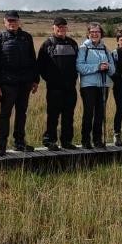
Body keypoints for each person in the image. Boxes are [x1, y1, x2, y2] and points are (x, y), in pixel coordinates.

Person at [0, 11, 39, 156]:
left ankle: (20, 143)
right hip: (6, 83)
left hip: (25, 83)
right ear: (4, 22)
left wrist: (35, 80)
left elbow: (32, 60)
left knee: (22, 113)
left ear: (19, 21)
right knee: (5, 114)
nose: (12, 23)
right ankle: (2, 145)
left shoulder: (26, 37)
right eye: (9, 20)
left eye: (14, 20)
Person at [36, 16, 79, 150]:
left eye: (63, 27)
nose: (61, 29)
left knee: (69, 115)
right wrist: (50, 79)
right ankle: (50, 140)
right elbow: (40, 66)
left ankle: (66, 141)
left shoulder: (73, 43)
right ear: (53, 28)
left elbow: (78, 63)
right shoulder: (47, 44)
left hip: (70, 87)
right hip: (54, 88)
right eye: (58, 27)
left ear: (67, 28)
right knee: (53, 115)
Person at [76, 22, 116, 149]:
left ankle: (97, 140)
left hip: (103, 85)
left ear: (101, 34)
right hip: (88, 85)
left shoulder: (105, 48)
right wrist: (97, 67)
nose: (94, 34)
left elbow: (113, 69)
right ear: (88, 34)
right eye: (92, 32)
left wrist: (107, 67)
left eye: (97, 32)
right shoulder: (83, 48)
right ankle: (85, 140)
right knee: (88, 113)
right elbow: (80, 67)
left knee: (100, 113)